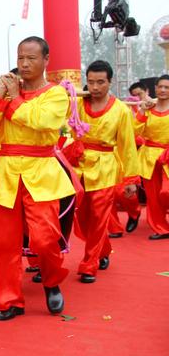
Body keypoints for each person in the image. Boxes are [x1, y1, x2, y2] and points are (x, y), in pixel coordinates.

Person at [0, 36, 73, 321]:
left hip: (42, 172)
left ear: (46, 61)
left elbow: (43, 121)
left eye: (31, 58)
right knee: (4, 243)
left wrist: (12, 100)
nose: (24, 63)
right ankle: (9, 301)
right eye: (21, 58)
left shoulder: (56, 94)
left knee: (44, 239)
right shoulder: (7, 93)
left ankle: (52, 279)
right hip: (7, 173)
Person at [67, 60, 138, 283]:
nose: (95, 87)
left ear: (110, 82)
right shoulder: (77, 102)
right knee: (83, 217)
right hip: (79, 166)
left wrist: (131, 178)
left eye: (100, 82)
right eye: (91, 82)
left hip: (106, 168)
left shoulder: (121, 110)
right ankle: (103, 249)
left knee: (99, 217)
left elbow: (127, 146)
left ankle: (89, 264)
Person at [107, 82, 147, 238]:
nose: (136, 98)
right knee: (107, 195)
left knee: (123, 192)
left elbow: (134, 133)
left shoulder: (123, 109)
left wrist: (142, 110)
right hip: (107, 156)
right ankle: (114, 228)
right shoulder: (86, 110)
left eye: (139, 94)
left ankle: (134, 211)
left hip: (127, 154)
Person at [135, 75, 169, 240]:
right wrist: (141, 111)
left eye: (167, 87)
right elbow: (135, 131)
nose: (163, 90)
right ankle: (161, 228)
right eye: (160, 87)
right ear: (155, 88)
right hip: (149, 156)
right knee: (153, 196)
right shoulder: (148, 109)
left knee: (166, 192)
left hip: (167, 155)